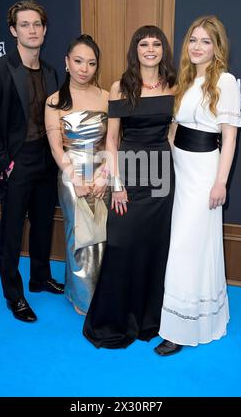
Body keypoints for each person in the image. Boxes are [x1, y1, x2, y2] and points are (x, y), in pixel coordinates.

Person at [83, 25, 177, 348]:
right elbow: (112, 140)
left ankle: (151, 319)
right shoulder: (120, 87)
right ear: (134, 50)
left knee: (155, 246)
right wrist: (116, 184)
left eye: (155, 44)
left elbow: (173, 134)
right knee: (122, 244)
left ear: (163, 49)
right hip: (130, 172)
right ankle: (115, 319)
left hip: (162, 175)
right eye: (143, 44)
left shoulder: (174, 85)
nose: (150, 49)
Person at [155, 15, 241, 356]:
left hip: (205, 173)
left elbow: (230, 138)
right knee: (189, 244)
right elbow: (175, 128)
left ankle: (180, 329)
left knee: (185, 248)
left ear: (217, 47)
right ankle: (192, 316)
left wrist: (220, 182)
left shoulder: (227, 81)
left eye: (205, 41)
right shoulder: (187, 80)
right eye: (193, 39)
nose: (197, 46)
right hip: (181, 170)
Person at [0, 0, 64, 323]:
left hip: (46, 158)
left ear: (44, 30)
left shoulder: (53, 73)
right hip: (17, 162)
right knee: (12, 232)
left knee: (43, 224)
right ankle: (14, 296)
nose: (32, 30)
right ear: (13, 30)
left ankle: (40, 278)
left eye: (37, 24)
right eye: (25, 25)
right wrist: (6, 163)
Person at [45, 34, 109, 316]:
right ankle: (82, 297)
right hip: (71, 173)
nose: (84, 68)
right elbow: (56, 148)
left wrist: (104, 174)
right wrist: (75, 177)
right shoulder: (55, 101)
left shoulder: (107, 97)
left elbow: (113, 142)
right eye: (78, 61)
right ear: (67, 63)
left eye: (91, 63)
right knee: (79, 234)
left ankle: (102, 292)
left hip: (102, 172)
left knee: (103, 234)